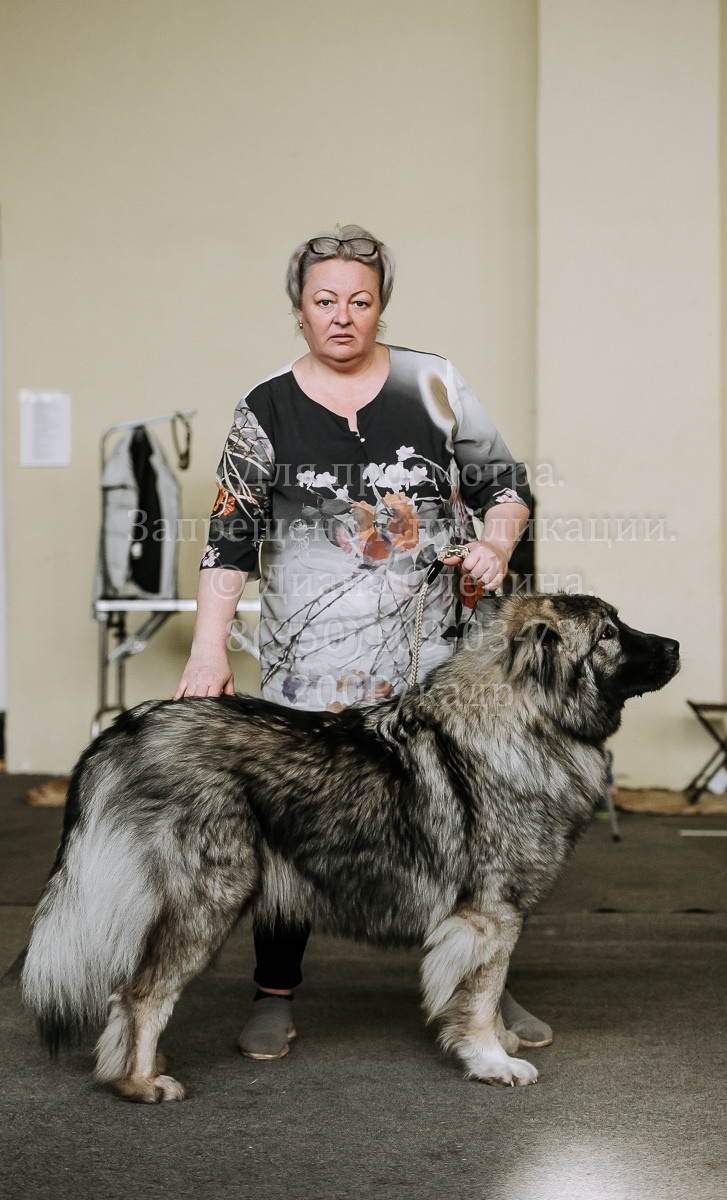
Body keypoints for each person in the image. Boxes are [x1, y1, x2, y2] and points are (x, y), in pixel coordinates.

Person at [175, 225, 553, 1060]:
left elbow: (507, 487)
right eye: (323, 301)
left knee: (463, 824)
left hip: (436, 666)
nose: (341, 317)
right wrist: (209, 650)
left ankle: (484, 987)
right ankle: (274, 991)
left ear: (379, 305)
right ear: (298, 309)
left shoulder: (432, 383)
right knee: (290, 827)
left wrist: (495, 541)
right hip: (311, 667)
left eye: (359, 300)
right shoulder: (264, 408)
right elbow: (228, 540)